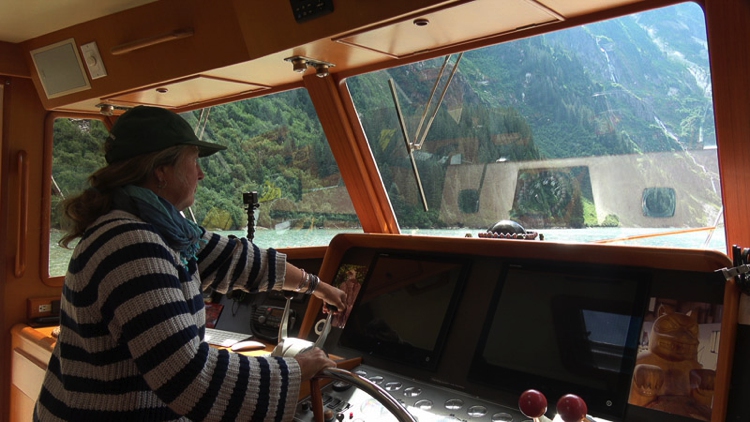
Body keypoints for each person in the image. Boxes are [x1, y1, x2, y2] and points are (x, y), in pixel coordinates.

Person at [34, 106, 347, 421]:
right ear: (161, 170)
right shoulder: (131, 244)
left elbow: (235, 259)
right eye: (194, 160)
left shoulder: (159, 229)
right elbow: (188, 378)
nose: (201, 173)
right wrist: (296, 369)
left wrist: (317, 287)